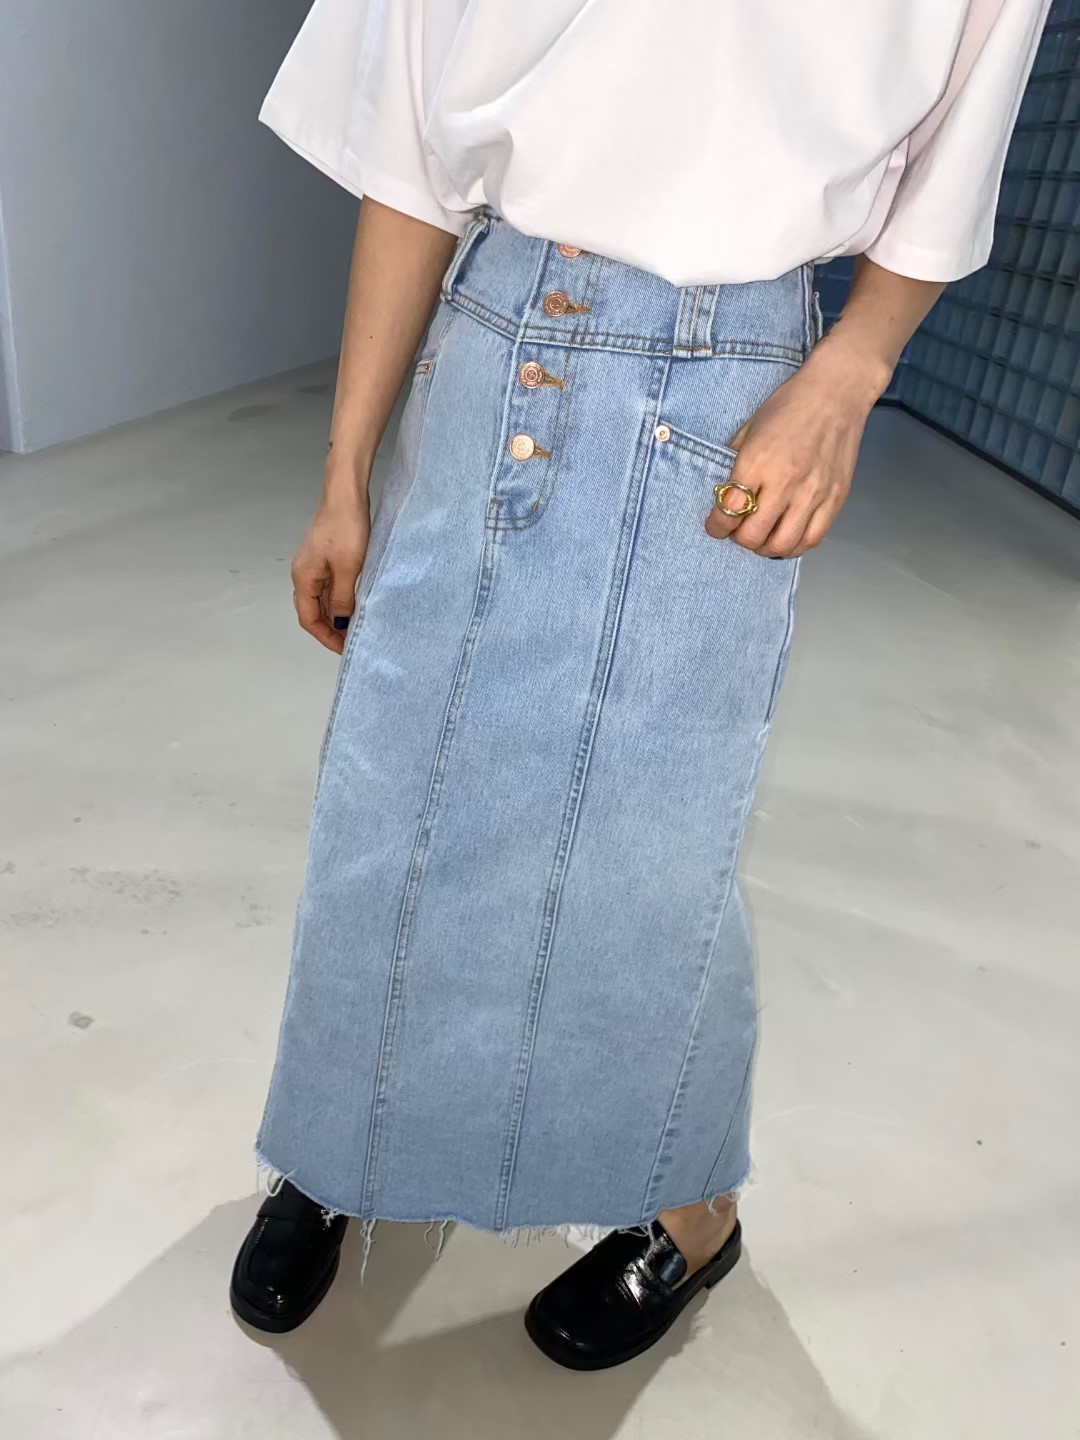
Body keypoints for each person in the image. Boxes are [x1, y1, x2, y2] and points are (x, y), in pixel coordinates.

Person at [229, 0, 1050, 1368]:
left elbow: (960, 138)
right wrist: (343, 472)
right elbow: (410, 160)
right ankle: (343, 1143)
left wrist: (850, 371)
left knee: (659, 834)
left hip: (736, 380)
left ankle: (688, 1207)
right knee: (398, 789)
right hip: (494, 333)